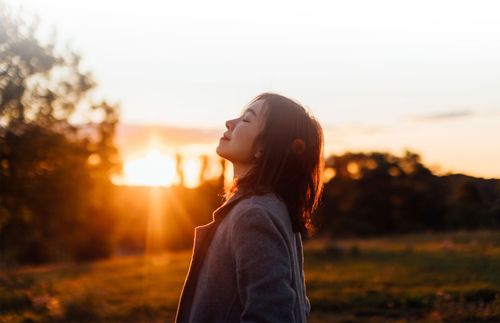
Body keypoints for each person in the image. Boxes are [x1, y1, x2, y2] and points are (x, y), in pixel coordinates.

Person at [175, 92, 324, 323]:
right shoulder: (272, 206)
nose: (230, 123)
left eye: (246, 120)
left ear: (264, 148)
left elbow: (272, 315)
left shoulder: (254, 214)